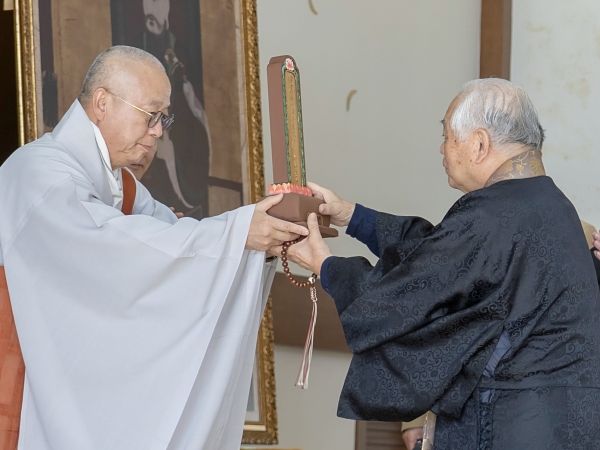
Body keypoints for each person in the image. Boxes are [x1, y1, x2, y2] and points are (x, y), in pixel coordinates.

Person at [0, 45, 307, 450]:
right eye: (151, 115)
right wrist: (236, 233)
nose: (159, 132)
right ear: (102, 103)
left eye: (164, 118)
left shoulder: (122, 188)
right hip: (15, 377)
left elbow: (177, 243)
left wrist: (261, 241)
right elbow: (118, 248)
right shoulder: (38, 171)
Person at [281, 79, 600, 448]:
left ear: (479, 144)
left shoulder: (492, 214)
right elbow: (437, 254)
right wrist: (351, 215)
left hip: (512, 424)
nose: (442, 148)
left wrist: (324, 264)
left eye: (448, 136)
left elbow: (410, 293)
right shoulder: (551, 208)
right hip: (566, 423)